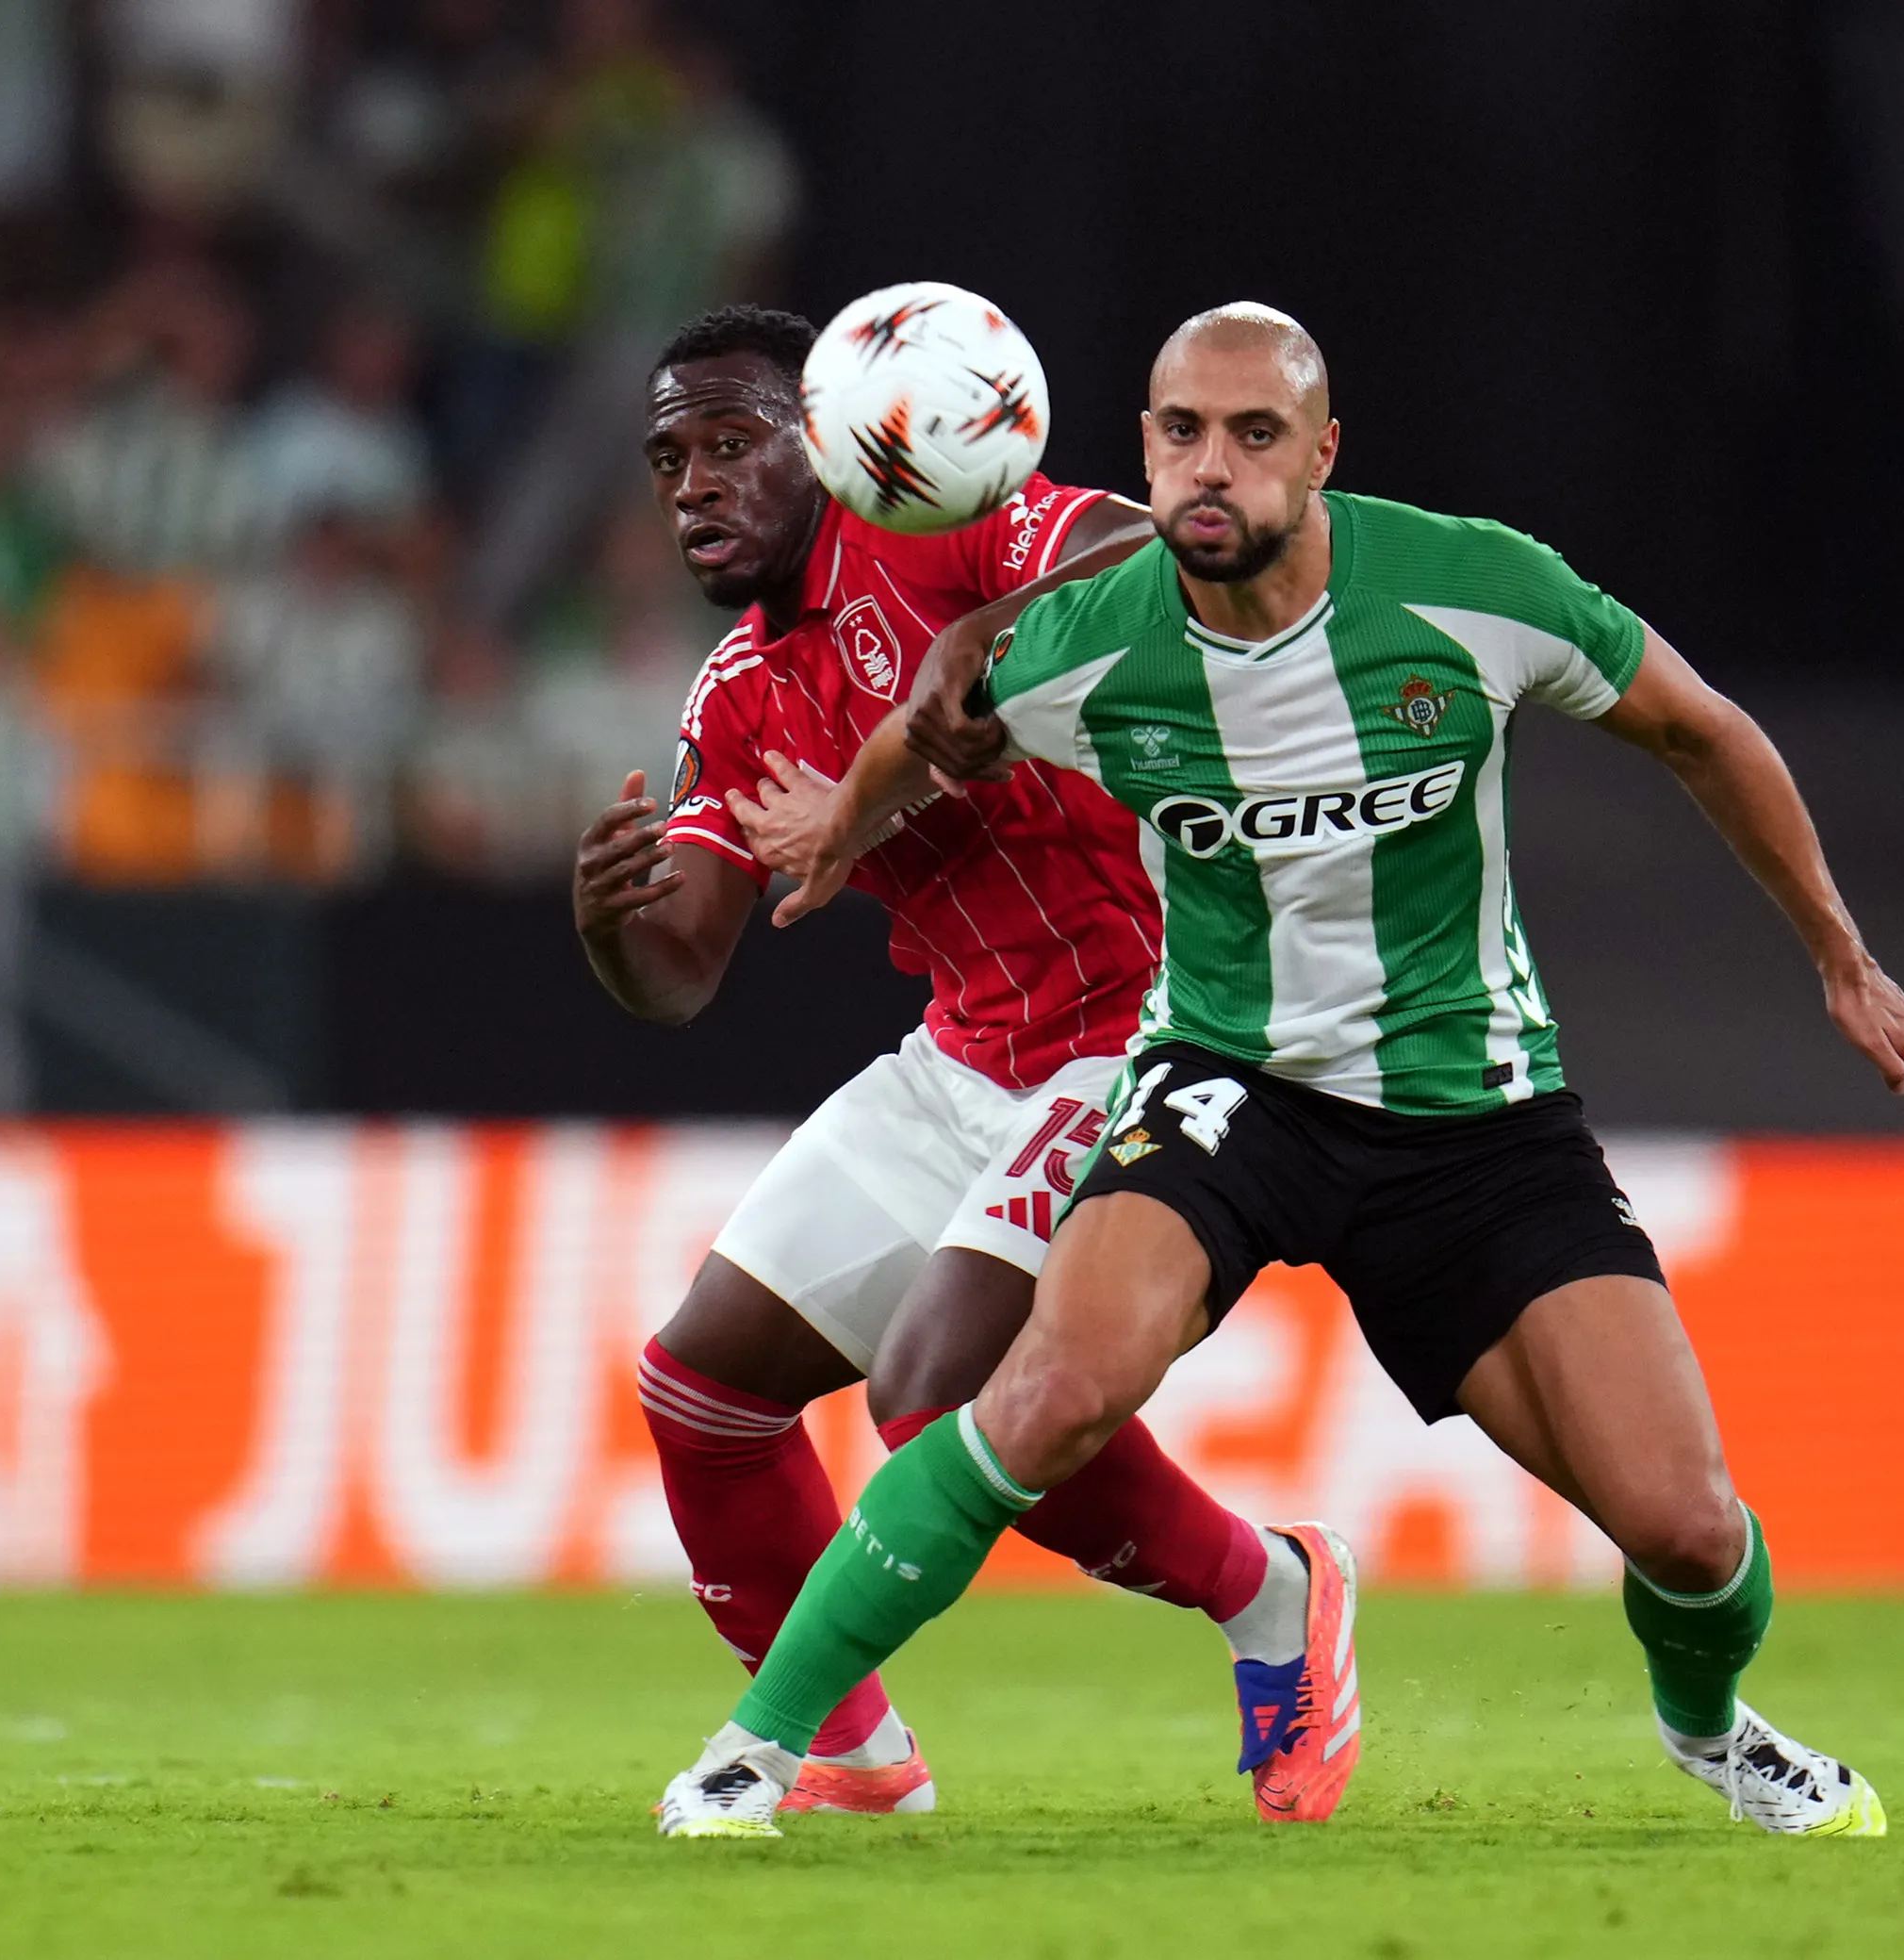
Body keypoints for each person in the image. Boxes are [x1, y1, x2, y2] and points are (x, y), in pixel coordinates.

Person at [681, 303, 1904, 1841]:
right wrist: (846, 821)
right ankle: (753, 1752)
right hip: (1223, 1091)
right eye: (1179, 433)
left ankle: (1711, 1731)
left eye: (1252, 434)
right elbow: (930, 725)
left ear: (1323, 453)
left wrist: (1841, 957)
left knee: (1688, 1526)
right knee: (1035, 1393)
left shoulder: (1473, 586)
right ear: (1145, 452)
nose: (1210, 469)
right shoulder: (1093, 646)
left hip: (1474, 1120)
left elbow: (1703, 732)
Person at [570, 305, 1350, 1837]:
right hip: (969, 1048)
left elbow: (1161, 544)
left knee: (934, 1393)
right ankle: (858, 1744)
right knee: (700, 1387)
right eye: (671, 458)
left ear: (834, 434)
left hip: (1148, 1019)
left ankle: (1273, 1593)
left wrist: (968, 654)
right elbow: (684, 967)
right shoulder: (735, 691)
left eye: (732, 443)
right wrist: (608, 923)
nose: (694, 484)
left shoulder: (955, 525)